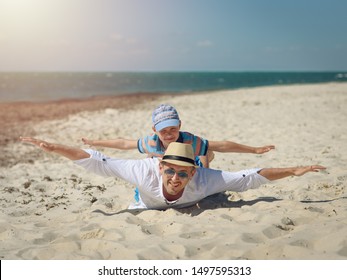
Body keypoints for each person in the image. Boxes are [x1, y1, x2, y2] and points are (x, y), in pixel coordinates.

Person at [20, 137, 326, 210]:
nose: (175, 178)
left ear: (190, 176)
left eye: (182, 173)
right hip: (147, 199)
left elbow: (251, 177)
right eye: (170, 171)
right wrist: (56, 147)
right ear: (160, 166)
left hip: (204, 176)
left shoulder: (204, 179)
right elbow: (97, 160)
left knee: (213, 171)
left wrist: (293, 170)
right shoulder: (143, 170)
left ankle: (204, 158)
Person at [81, 104, 275, 168]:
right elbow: (123, 143)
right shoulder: (151, 142)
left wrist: (255, 150)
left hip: (191, 164)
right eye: (163, 130)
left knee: (206, 153)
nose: (168, 134)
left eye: (172, 129)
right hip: (166, 167)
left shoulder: (189, 139)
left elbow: (222, 145)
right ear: (154, 130)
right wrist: (94, 142)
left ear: (179, 126)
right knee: (150, 159)